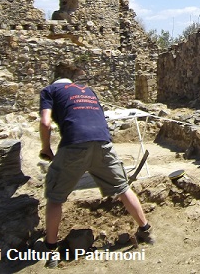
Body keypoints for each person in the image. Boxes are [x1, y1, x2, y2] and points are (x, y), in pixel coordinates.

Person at [39, 64, 154, 268]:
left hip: (74, 143)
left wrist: (46, 148)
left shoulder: (50, 91)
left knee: (55, 197)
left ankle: (51, 249)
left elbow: (46, 123)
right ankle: (145, 230)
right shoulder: (87, 91)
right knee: (123, 188)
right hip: (103, 142)